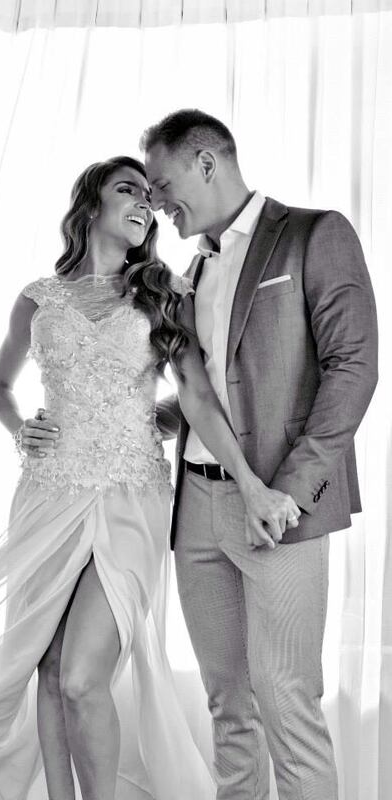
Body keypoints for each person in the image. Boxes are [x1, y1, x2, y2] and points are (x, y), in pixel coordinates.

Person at [0, 155, 299, 800]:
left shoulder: (164, 291)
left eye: (150, 196)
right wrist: (20, 429)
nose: (145, 203)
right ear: (91, 203)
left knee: (83, 678)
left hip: (131, 494)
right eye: (129, 189)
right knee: (50, 666)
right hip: (48, 494)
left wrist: (246, 481)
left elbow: (200, 397)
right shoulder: (38, 298)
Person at [136, 109, 378, 800]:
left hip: (278, 509)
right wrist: (112, 421)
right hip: (197, 510)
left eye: (161, 184)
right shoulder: (192, 269)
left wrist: (287, 493)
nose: (156, 203)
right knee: (228, 707)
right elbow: (206, 394)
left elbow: (353, 367)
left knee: (287, 703)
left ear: (206, 162)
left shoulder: (313, 234)